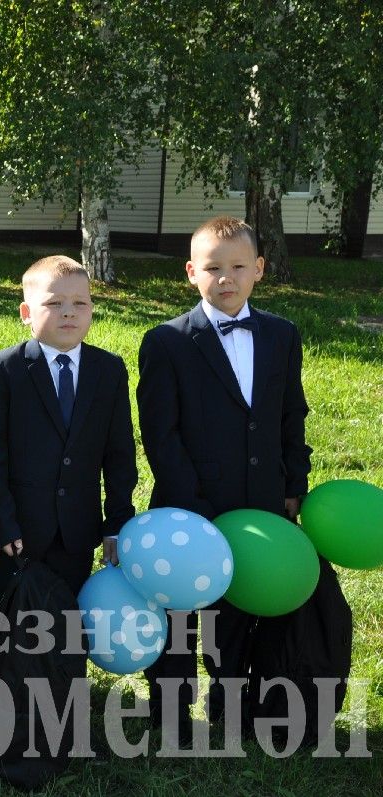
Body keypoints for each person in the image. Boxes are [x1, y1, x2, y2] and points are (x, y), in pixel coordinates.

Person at [137, 216, 311, 743]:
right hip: (189, 508)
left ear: (259, 269)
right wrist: (192, 502)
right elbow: (160, 435)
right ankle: (169, 708)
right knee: (180, 610)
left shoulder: (282, 335)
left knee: (237, 606)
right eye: (213, 267)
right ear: (192, 272)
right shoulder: (167, 341)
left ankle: (230, 698)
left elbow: (290, 415)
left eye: (238, 267)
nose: (226, 278)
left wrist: (293, 484)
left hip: (259, 501)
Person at [0, 255, 137, 611]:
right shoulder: (8, 368)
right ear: (26, 313)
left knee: (68, 623)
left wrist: (117, 524)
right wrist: (3, 523)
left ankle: (65, 670)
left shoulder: (108, 371)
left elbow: (120, 454)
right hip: (19, 531)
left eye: (80, 303)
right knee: (10, 621)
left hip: (77, 530)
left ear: (92, 309)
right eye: (53, 303)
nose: (68, 312)